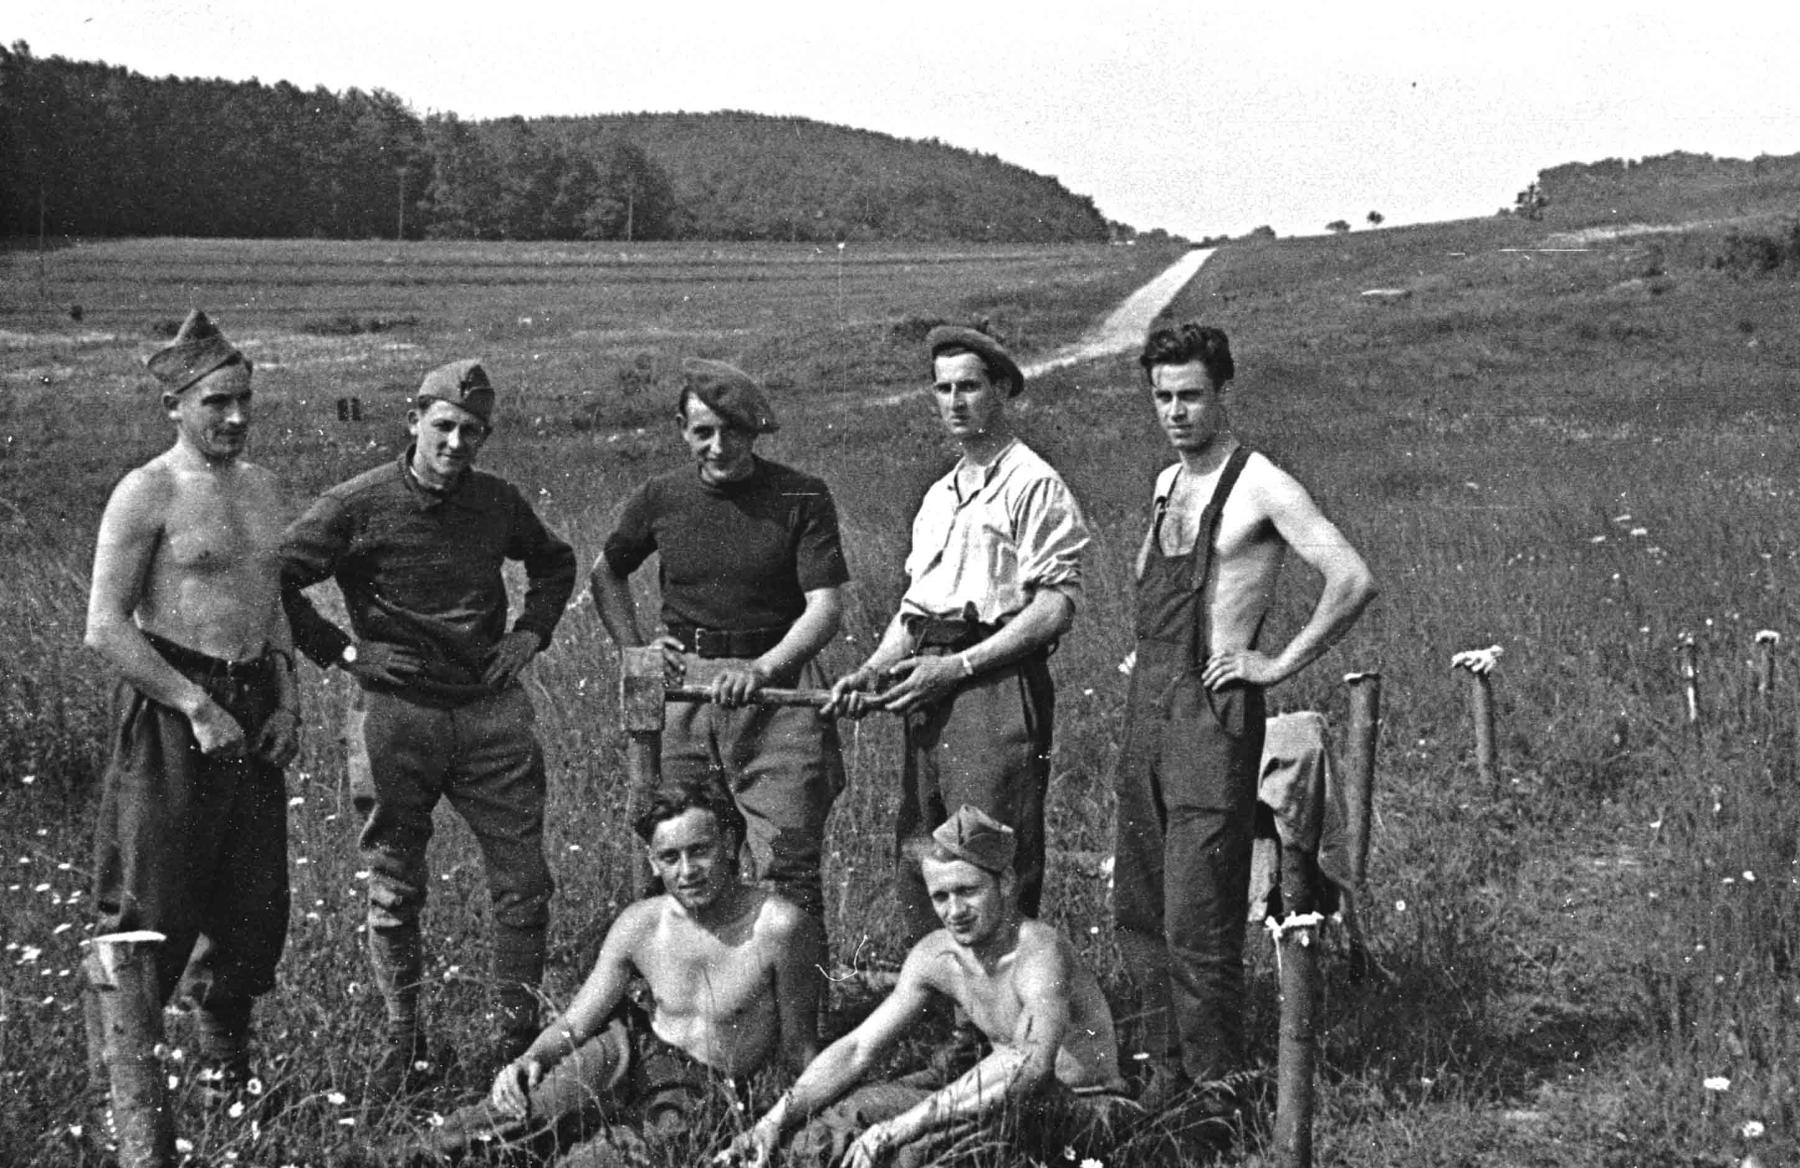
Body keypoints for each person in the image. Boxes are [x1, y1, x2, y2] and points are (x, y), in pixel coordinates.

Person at [280, 359, 577, 1099]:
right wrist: (345, 651)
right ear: (414, 420)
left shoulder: (497, 501)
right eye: (443, 426)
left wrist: (530, 633)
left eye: (471, 431)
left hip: (489, 711)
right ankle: (404, 1042)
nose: (455, 444)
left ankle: (516, 1043)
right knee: (394, 886)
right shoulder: (356, 503)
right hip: (396, 716)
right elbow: (274, 577)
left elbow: (555, 563)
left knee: (524, 884)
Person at [1114, 322, 1377, 1108]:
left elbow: (1352, 579)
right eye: (1162, 397)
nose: (1176, 412)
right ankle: (1161, 1080)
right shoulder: (1166, 485)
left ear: (1223, 391)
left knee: (1198, 917)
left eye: (1191, 395)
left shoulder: (1262, 485)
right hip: (1148, 713)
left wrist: (1275, 663)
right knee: (1140, 910)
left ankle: (1215, 1097)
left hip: (1213, 717)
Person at [83, 309, 299, 1092]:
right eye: (216, 402)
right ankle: (122, 1101)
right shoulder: (147, 491)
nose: (235, 417)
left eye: (244, 399)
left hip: (254, 705)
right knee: (150, 903)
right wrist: (195, 706)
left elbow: (271, 606)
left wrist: (288, 702)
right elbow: (105, 628)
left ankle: (225, 1080)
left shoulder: (263, 488)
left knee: (252, 905)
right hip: (173, 709)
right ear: (174, 405)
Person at [826, 325, 1088, 943]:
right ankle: (938, 991)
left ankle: (1003, 995)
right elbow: (916, 609)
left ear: (1001, 390)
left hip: (993, 684)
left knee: (987, 852)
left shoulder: (1033, 483)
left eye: (968, 387)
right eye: (943, 389)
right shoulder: (939, 496)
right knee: (924, 851)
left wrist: (960, 668)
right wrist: (872, 669)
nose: (955, 402)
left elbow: (1055, 608)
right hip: (929, 682)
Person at [404, 779, 822, 1166]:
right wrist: (531, 1057)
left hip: (703, 1086)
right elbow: (575, 1023)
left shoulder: (779, 928)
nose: (687, 871)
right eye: (670, 857)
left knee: (608, 1159)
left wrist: (781, 1124)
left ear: (728, 844)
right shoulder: (641, 923)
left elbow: (798, 1050)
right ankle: (391, 1158)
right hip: (634, 1048)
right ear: (653, 863)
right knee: (516, 1115)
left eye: (700, 851)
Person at [592, 359, 849, 970]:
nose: (718, 446)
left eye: (733, 431)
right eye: (702, 432)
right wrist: (636, 650)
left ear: (755, 430)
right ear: (682, 429)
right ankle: (684, 1004)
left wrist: (763, 670)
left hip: (777, 692)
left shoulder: (801, 494)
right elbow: (606, 573)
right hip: (684, 693)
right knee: (682, 857)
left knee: (787, 865)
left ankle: (798, 1015)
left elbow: (824, 606)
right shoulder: (661, 496)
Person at [722, 806, 1133, 1168]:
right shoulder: (937, 954)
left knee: (914, 1152)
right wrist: (771, 1121)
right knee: (837, 1125)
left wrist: (902, 1126)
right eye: (941, 896)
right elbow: (858, 1048)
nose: (954, 911)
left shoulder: (1040, 952)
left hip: (1082, 1108)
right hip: (993, 1099)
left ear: (1006, 882)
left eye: (968, 891)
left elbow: (1030, 1066)